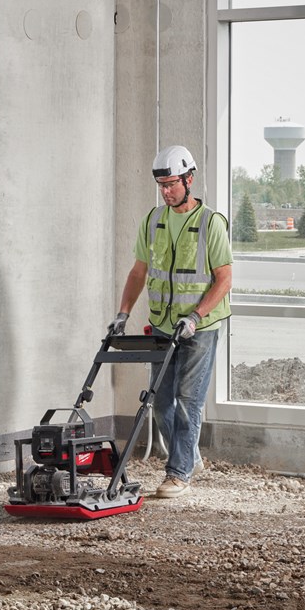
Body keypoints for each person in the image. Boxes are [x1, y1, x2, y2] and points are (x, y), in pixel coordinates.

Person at [109, 145, 233, 498]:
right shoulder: (153, 221)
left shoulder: (210, 222)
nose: (166, 191)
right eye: (162, 186)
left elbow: (224, 279)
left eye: (172, 184)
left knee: (188, 400)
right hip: (164, 325)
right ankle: (189, 455)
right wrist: (123, 313)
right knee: (161, 401)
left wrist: (195, 316)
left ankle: (178, 474)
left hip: (200, 328)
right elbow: (138, 272)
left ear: (189, 179)